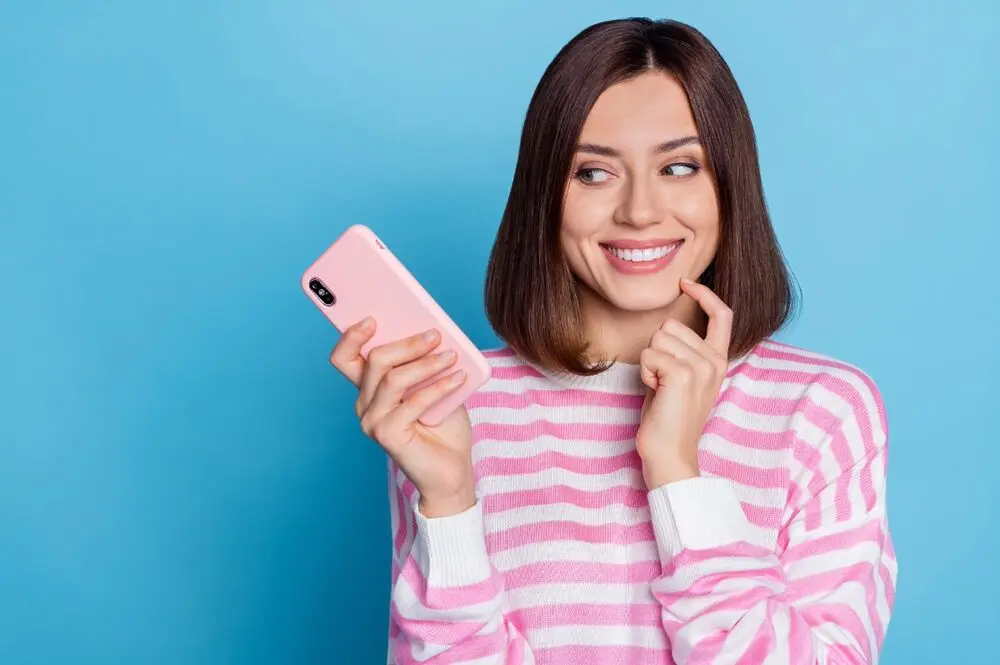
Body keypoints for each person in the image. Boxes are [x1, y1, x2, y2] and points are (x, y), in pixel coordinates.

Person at [330, 17, 896, 665]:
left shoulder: (822, 412)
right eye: (594, 174)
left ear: (729, 187)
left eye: (680, 167)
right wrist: (450, 499)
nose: (639, 211)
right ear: (546, 196)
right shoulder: (458, 409)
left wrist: (676, 469)